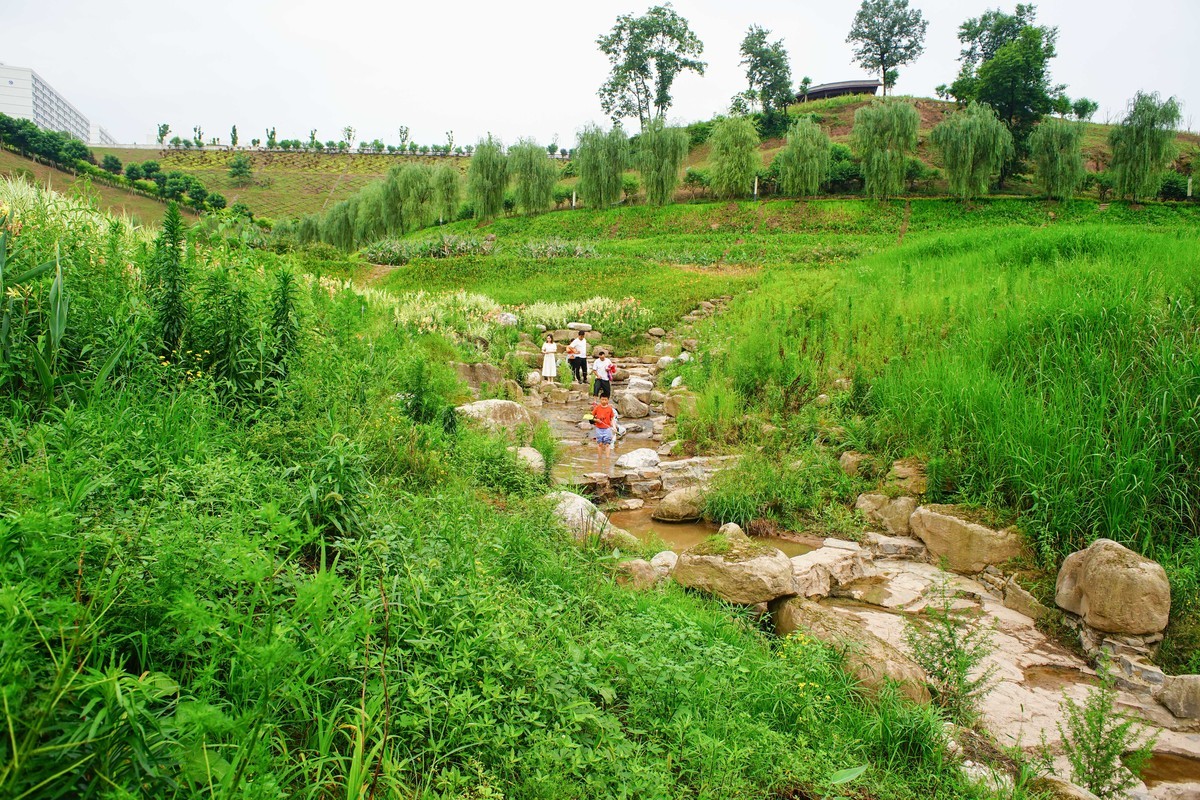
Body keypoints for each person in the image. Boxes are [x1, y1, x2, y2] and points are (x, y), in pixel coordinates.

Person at [591, 394, 616, 459]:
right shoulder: (597, 408)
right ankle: (599, 458)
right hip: (599, 428)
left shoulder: (610, 409)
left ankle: (607, 458)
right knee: (600, 444)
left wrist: (614, 427)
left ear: (608, 400)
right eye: (602, 399)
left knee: (607, 444)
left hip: (607, 428)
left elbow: (612, 419)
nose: (604, 401)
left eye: (605, 400)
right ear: (600, 400)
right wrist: (596, 420)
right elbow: (591, 417)